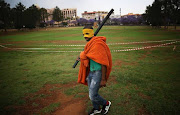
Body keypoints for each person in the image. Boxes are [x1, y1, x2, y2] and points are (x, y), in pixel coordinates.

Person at [77, 25, 112, 115]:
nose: (85, 36)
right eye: (83, 34)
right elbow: (90, 56)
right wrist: (82, 57)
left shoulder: (98, 44)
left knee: (92, 95)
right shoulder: (90, 44)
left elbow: (104, 62)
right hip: (91, 72)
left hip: (98, 72)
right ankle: (97, 109)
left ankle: (106, 104)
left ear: (92, 33)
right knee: (92, 92)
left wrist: (103, 79)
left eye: (87, 34)